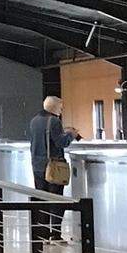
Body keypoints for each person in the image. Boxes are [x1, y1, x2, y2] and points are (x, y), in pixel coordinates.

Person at [27, 95, 81, 242]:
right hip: (53, 167)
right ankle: (55, 233)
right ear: (55, 107)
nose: (62, 110)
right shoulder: (54, 121)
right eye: (61, 107)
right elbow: (61, 142)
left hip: (37, 166)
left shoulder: (34, 121)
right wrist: (71, 134)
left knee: (42, 199)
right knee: (56, 200)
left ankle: (42, 233)